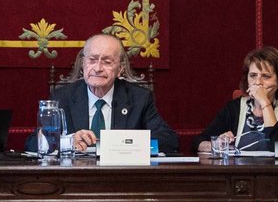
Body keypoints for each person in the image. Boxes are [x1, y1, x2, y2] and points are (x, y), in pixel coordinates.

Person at [36, 34, 180, 154]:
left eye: (107, 62)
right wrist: (67, 142)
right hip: (76, 176)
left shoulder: (139, 98)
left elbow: (169, 140)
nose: (97, 68)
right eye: (92, 60)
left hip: (122, 177)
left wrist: (123, 144)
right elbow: (33, 142)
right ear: (83, 64)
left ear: (120, 69)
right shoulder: (62, 97)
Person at [196, 46, 278, 154]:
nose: (257, 82)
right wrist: (217, 144)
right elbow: (198, 141)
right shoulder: (234, 108)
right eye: (253, 75)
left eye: (266, 76)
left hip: (275, 170)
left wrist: (264, 103)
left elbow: (277, 147)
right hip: (239, 170)